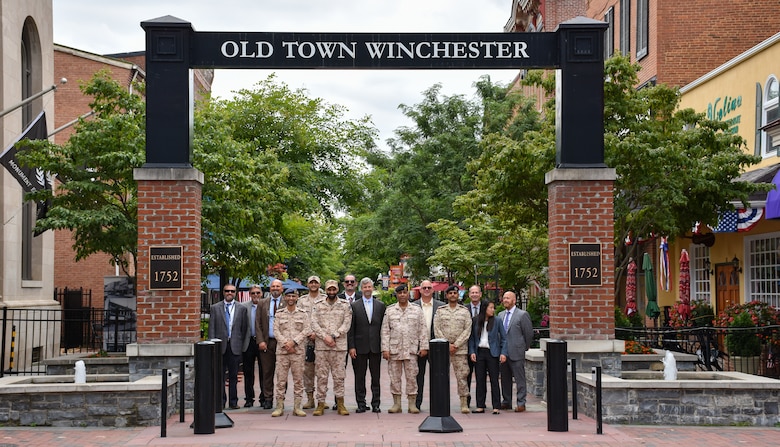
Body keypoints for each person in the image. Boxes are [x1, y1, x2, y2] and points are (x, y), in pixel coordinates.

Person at [381, 284, 428, 414]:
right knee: (394, 377)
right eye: (400, 293)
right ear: (396, 295)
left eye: (404, 292)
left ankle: (412, 403)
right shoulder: (390, 310)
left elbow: (422, 329)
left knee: (412, 377)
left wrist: (424, 346)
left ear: (408, 294)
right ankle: (396, 404)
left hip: (411, 350)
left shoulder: (417, 310)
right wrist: (385, 349)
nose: (402, 295)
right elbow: (385, 331)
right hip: (394, 350)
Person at [310, 280, 352, 416]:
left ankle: (340, 403)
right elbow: (313, 323)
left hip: (338, 347)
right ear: (326, 290)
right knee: (321, 376)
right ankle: (320, 404)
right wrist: (324, 336)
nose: (332, 292)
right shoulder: (318, 305)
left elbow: (347, 323)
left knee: (339, 376)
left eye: (334, 289)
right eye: (329, 289)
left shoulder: (345, 305)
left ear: (337, 289)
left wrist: (334, 335)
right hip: (322, 347)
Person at [209, 284, 250, 410]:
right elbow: (212, 328)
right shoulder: (215, 308)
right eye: (227, 291)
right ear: (223, 292)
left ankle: (233, 401)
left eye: (232, 291)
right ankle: (221, 401)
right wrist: (212, 345)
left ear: (235, 293)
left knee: (233, 376)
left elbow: (244, 329)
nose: (229, 293)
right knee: (220, 376)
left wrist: (242, 346)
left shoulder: (241, 308)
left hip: (235, 347)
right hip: (220, 347)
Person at [347, 277, 386, 413]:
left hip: (375, 346)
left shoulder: (380, 306)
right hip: (359, 346)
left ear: (373, 288)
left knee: (376, 377)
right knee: (360, 377)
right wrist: (351, 346)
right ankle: (361, 403)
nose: (367, 289)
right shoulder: (354, 306)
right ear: (361, 289)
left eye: (369, 287)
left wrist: (384, 346)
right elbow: (350, 328)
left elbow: (384, 327)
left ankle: (376, 403)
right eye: (365, 287)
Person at [433, 284, 473, 413]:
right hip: (443, 351)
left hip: (460, 350)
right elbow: (436, 328)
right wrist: (447, 345)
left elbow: (467, 330)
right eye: (450, 293)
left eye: (455, 293)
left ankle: (464, 403)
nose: (453, 295)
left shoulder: (464, 311)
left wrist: (456, 345)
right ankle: (442, 402)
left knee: (462, 377)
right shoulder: (440, 311)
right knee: (442, 377)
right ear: (447, 296)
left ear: (458, 295)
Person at [271, 288, 310, 417]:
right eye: (288, 296)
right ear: (285, 298)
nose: (291, 298)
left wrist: (294, 342)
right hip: (282, 352)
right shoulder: (279, 313)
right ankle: (279, 406)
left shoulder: (303, 314)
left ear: (297, 297)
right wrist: (286, 344)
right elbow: (276, 331)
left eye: (293, 296)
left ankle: (297, 406)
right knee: (281, 380)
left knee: (298, 380)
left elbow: (306, 330)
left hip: (297, 352)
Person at [498, 290, 534, 413]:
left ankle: (521, 403)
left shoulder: (522, 315)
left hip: (517, 351)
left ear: (514, 300)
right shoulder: (501, 315)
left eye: (508, 298)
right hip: (504, 353)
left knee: (519, 378)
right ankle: (506, 401)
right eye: (504, 298)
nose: (505, 300)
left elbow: (528, 333)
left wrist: (524, 346)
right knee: (505, 378)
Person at [468, 301, 507, 414]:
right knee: (480, 380)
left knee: (494, 380)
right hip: (479, 352)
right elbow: (471, 338)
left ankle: (496, 406)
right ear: (485, 308)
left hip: (492, 353)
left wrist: (503, 353)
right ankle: (480, 405)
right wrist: (472, 352)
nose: (493, 310)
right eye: (491, 307)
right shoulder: (475, 320)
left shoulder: (497, 321)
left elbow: (504, 338)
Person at [413, 279, 444, 411]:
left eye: (428, 288)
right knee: (417, 376)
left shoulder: (441, 306)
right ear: (420, 290)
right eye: (424, 288)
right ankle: (416, 404)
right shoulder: (413, 306)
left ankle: (438, 404)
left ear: (433, 290)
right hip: (418, 347)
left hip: (436, 346)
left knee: (438, 376)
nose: (426, 290)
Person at [257, 279, 283, 410]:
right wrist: (261, 340)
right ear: (270, 288)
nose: (275, 288)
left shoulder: (287, 303)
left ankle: (281, 398)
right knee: (267, 372)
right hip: (267, 343)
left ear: (282, 288)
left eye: (278, 286)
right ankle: (268, 398)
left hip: (282, 343)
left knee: (282, 373)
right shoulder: (262, 303)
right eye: (273, 286)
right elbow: (258, 324)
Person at [297, 275, 323, 409]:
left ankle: (321, 400)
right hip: (306, 342)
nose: (313, 284)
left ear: (319, 284)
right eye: (311, 282)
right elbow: (299, 319)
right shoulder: (301, 301)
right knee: (307, 371)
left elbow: (326, 320)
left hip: (321, 342)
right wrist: (308, 333)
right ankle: (310, 398)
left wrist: (317, 333)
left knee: (322, 371)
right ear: (307, 285)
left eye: (315, 282)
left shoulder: (324, 299)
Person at [465, 285, 487, 407]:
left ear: (480, 294)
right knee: (466, 376)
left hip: (482, 348)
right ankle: (466, 402)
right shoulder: (464, 309)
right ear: (469, 294)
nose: (474, 294)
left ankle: (481, 402)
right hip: (467, 347)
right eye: (472, 292)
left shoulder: (486, 309)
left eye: (476, 292)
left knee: (481, 377)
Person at [242, 285, 264, 408]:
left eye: (258, 293)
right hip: (248, 342)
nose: (255, 295)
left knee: (264, 371)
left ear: (261, 293)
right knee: (248, 372)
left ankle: (264, 397)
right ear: (250, 294)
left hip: (262, 342)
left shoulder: (266, 305)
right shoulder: (244, 307)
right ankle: (249, 398)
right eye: (253, 293)